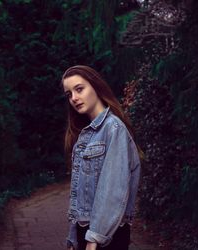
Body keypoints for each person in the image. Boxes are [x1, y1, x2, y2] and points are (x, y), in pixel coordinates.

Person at [62, 65, 141, 250]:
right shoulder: (85, 134)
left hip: (105, 236)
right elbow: (80, 195)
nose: (74, 98)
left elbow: (113, 189)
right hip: (88, 233)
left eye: (79, 89)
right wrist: (73, 236)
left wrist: (94, 239)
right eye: (69, 94)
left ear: (95, 86)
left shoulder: (113, 129)